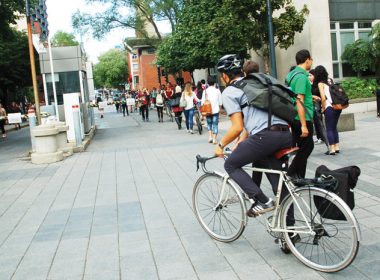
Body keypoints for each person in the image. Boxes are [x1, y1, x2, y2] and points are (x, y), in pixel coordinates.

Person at [214, 54, 293, 219]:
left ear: (225, 75)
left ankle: (261, 201)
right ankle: (290, 234)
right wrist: (241, 141)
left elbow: (237, 127)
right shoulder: (254, 84)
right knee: (278, 183)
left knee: (231, 164)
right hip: (285, 132)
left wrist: (220, 145)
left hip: (266, 137)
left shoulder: (229, 92)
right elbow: (252, 119)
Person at [286, 49, 314, 179]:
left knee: (302, 147)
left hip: (293, 116)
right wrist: (303, 124)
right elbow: (299, 100)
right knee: (308, 147)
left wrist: (311, 97)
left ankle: (300, 178)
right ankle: (291, 173)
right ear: (307, 60)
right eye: (311, 59)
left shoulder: (291, 75)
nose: (312, 62)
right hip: (303, 117)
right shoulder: (302, 77)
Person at [314, 65, 341, 155]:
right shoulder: (329, 82)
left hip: (329, 107)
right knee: (334, 127)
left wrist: (323, 107)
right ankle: (337, 146)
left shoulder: (320, 84)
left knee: (329, 128)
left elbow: (323, 97)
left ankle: (332, 149)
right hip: (337, 107)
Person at [202, 76, 222, 144]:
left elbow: (202, 102)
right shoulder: (217, 90)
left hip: (208, 111)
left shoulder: (205, 91)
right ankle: (214, 139)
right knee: (215, 124)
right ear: (214, 82)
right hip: (215, 110)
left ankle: (210, 137)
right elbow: (220, 102)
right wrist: (220, 108)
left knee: (209, 123)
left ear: (207, 82)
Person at [309, 69, 326, 145]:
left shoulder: (318, 85)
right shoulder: (312, 84)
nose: (309, 77)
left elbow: (321, 96)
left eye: (311, 75)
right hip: (314, 105)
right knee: (316, 122)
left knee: (319, 121)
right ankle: (319, 137)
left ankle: (322, 137)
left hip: (318, 106)